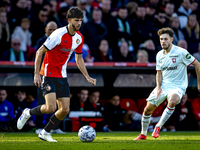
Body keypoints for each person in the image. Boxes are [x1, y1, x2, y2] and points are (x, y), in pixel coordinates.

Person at [17, 7, 96, 142]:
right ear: (69, 20)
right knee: (50, 107)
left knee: (65, 110)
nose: (79, 23)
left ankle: (45, 133)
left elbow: (79, 59)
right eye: (76, 20)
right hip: (47, 74)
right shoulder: (58, 34)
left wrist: (87, 76)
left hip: (62, 76)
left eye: (81, 21)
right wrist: (36, 74)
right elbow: (39, 52)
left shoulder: (79, 38)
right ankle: (27, 112)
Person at [134, 27, 200, 140]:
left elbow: (197, 64)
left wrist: (199, 83)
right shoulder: (159, 55)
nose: (163, 41)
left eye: (165, 39)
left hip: (178, 86)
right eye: (161, 39)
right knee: (147, 109)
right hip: (164, 85)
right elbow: (158, 73)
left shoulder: (181, 52)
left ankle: (158, 126)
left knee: (172, 101)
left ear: (171, 39)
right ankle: (143, 134)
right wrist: (159, 87)